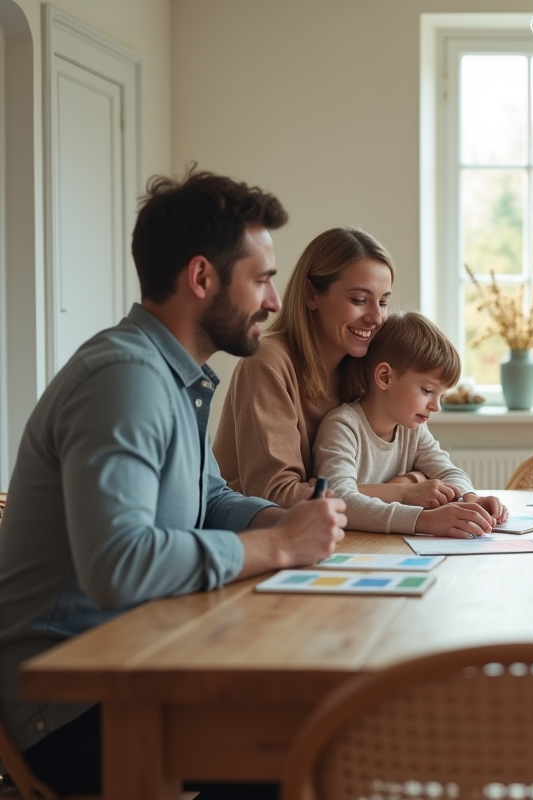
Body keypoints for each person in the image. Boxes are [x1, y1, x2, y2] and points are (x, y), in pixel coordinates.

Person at [0, 168, 348, 798]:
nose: (274, 302)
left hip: (145, 659)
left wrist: (282, 523)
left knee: (326, 725)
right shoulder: (125, 380)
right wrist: (279, 549)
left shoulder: (172, 374)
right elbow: (118, 563)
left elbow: (209, 498)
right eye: (263, 279)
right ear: (201, 278)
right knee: (322, 748)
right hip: (72, 707)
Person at [215, 227, 455, 512]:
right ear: (311, 295)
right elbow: (275, 494)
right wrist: (399, 492)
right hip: (252, 535)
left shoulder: (363, 367)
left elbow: (414, 464)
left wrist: (411, 480)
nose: (376, 318)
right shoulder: (266, 362)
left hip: (332, 531)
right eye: (359, 300)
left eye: (383, 302)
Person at [313, 312, 508, 537]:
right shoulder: (342, 427)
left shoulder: (411, 429)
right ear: (385, 377)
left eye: (441, 396)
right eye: (427, 391)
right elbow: (338, 498)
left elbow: (448, 471)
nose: (436, 407)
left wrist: (471, 500)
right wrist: (421, 517)